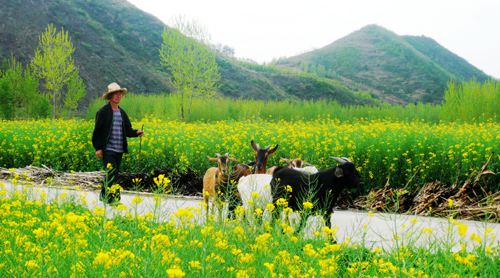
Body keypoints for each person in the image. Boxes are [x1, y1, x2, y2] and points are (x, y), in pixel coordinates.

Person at [92, 82, 144, 204]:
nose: (118, 96)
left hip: (119, 149)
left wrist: (137, 132)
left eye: (119, 94)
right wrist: (98, 148)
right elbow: (97, 131)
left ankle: (104, 196)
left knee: (114, 174)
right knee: (111, 173)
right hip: (108, 149)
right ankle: (113, 199)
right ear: (110, 96)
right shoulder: (103, 112)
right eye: (115, 94)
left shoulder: (122, 113)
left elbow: (128, 130)